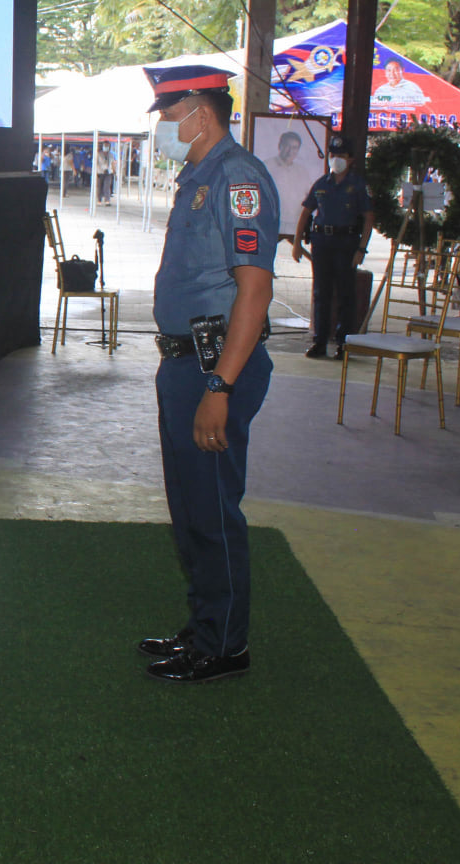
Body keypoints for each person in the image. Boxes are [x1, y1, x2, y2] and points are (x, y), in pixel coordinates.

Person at [139, 64, 277, 684]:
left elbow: (254, 291)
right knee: (190, 506)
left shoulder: (237, 177)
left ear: (201, 109)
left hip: (214, 364)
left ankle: (224, 646)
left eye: (169, 115)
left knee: (214, 508)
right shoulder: (197, 174)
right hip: (183, 362)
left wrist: (219, 387)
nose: (164, 126)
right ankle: (203, 626)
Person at [292, 132, 374, 359]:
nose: (336, 159)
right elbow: (306, 212)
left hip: (346, 243)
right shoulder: (321, 183)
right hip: (322, 243)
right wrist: (297, 243)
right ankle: (319, 341)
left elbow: (368, 218)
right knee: (321, 293)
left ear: (351, 159)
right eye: (333, 154)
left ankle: (342, 343)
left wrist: (361, 249)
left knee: (346, 294)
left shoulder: (357, 185)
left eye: (341, 155)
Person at [262, 128, 319, 226]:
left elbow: (310, 197)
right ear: (280, 146)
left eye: (294, 147)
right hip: (272, 223)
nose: (290, 151)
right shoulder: (266, 166)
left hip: (295, 224)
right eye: (287, 146)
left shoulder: (302, 171)